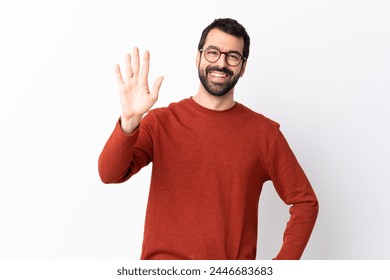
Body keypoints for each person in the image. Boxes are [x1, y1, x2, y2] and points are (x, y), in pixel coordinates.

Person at [98, 18, 319, 260]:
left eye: (233, 56)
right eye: (213, 52)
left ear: (243, 67)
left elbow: (305, 202)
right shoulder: (161, 122)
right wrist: (129, 121)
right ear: (198, 58)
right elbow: (110, 174)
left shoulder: (264, 134)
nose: (221, 63)